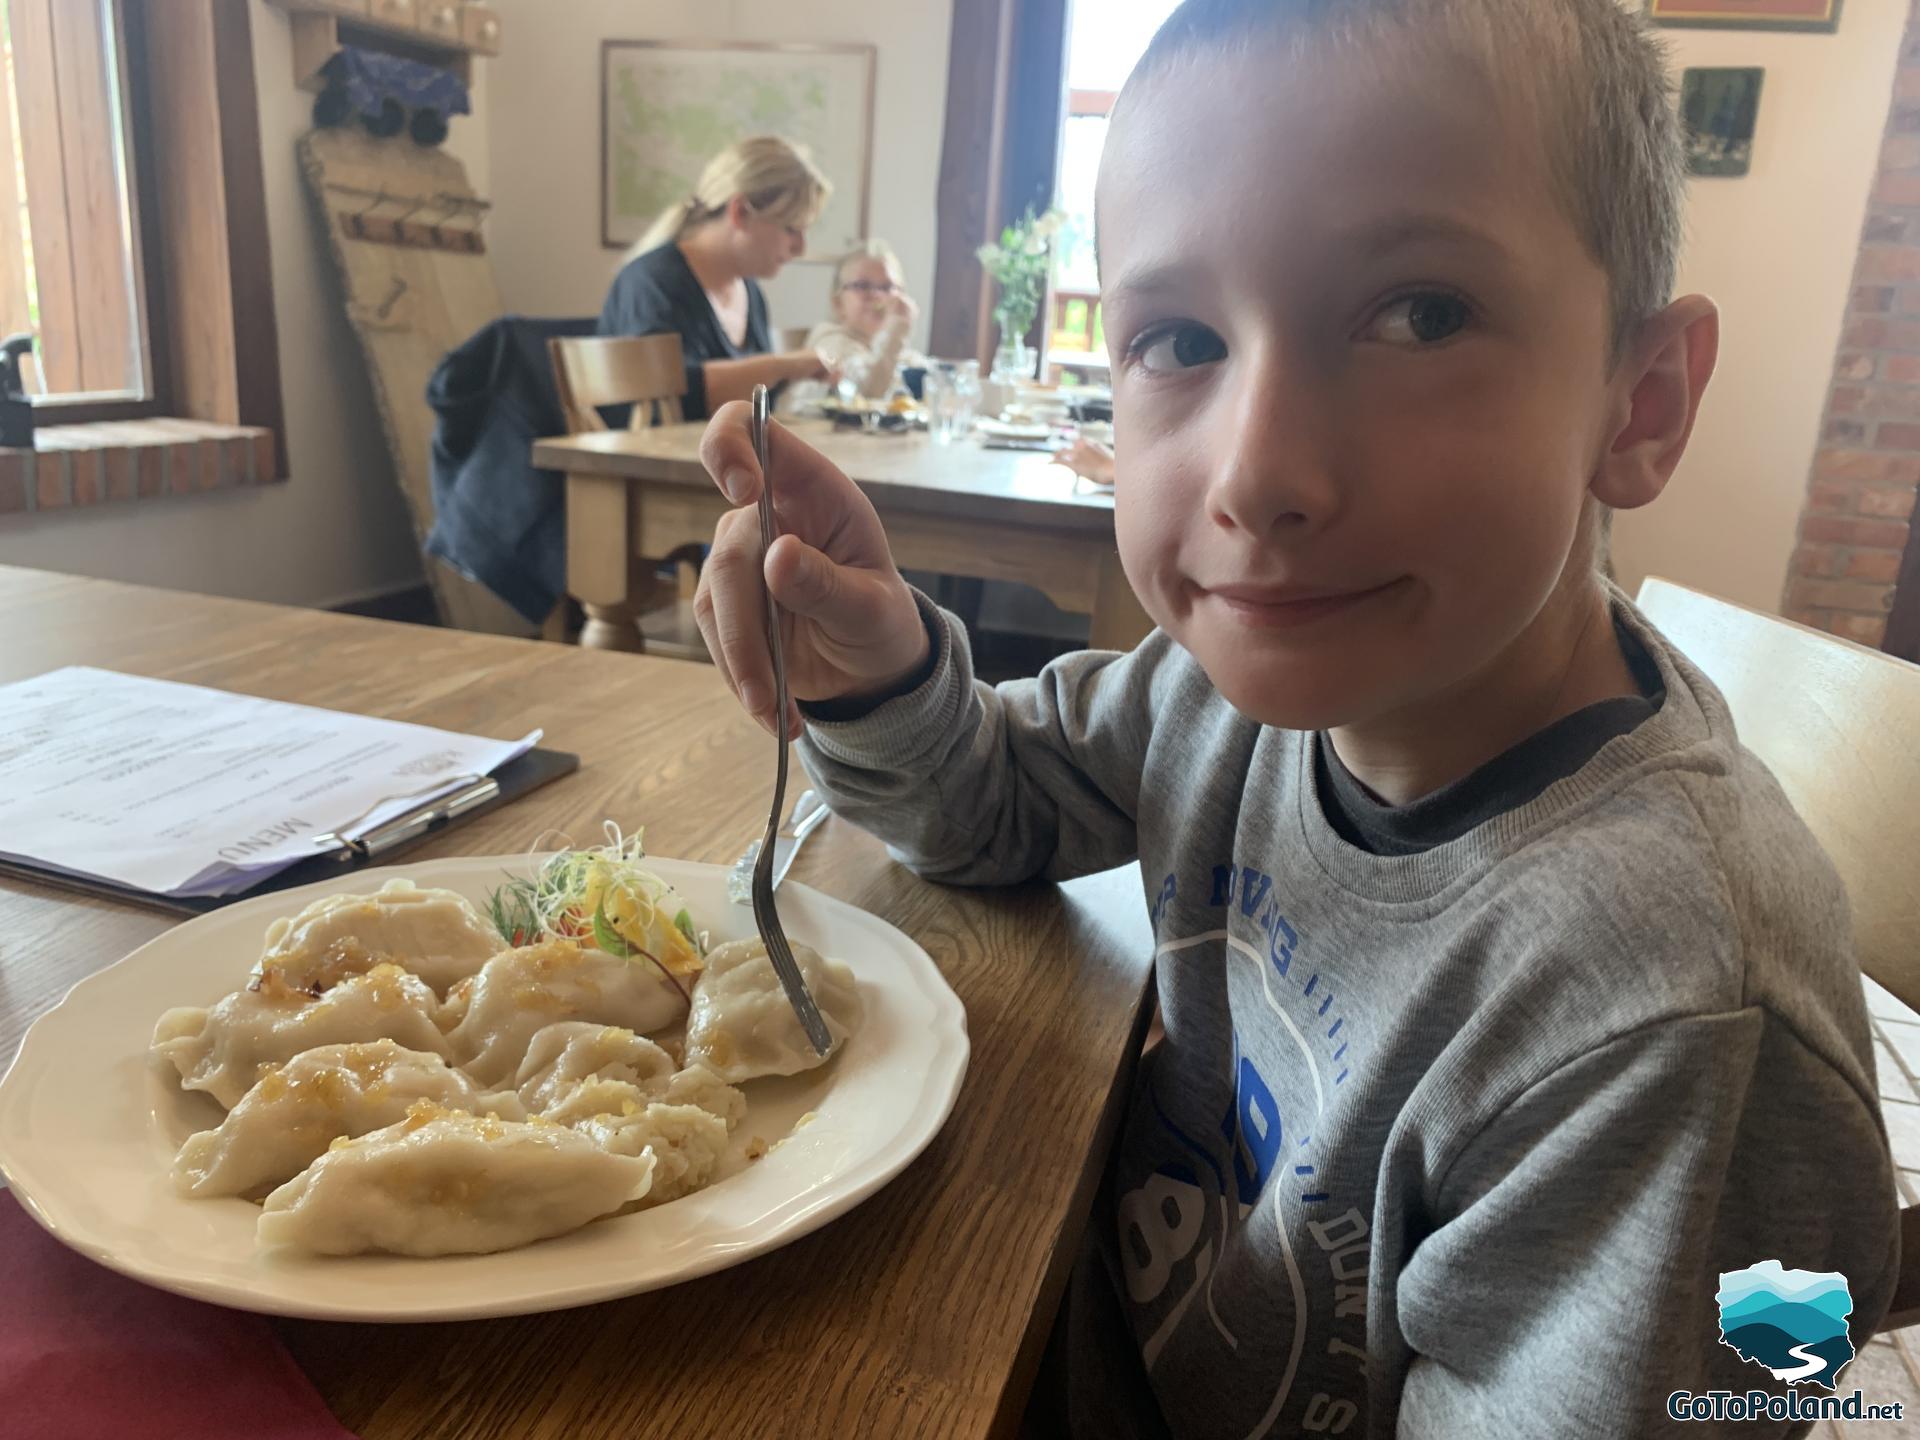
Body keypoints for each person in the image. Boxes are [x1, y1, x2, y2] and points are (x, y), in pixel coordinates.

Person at [691, 1, 1900, 1435]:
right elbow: (992, 804)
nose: (1258, 472)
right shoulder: (1228, 692)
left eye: (1420, 314)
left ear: (1636, 406)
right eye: (1179, 337)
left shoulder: (1668, 1015)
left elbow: (1740, 1384)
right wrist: (879, 665)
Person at [599, 136, 832, 419]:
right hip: (652, 463)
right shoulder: (651, 282)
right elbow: (672, 400)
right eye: (791, 229)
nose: (800, 248)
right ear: (740, 212)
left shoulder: (750, 291)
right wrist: (782, 366)